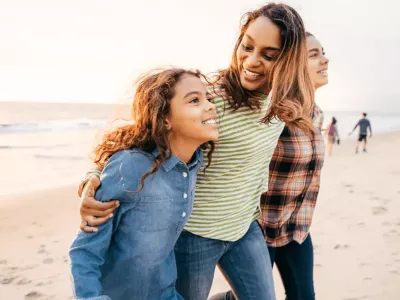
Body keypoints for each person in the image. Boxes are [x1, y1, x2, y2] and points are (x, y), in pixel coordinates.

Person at [76, 3, 315, 299]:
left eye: (268, 55)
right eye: (247, 46)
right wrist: (93, 178)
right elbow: (141, 135)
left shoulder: (284, 101)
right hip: (195, 235)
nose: (251, 61)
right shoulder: (211, 99)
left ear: (289, 62)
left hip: (245, 228)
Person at [69, 68, 218, 300]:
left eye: (209, 98)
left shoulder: (192, 164)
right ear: (165, 118)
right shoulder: (131, 166)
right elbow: (84, 252)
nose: (210, 106)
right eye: (195, 100)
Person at [211, 31, 329, 300]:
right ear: (293, 64)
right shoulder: (270, 111)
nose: (325, 60)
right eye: (314, 55)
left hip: (295, 226)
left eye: (323, 53)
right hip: (259, 228)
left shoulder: (316, 112)